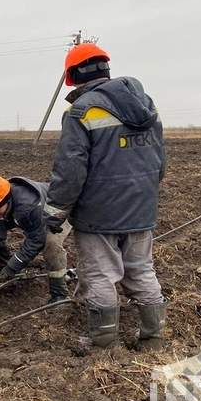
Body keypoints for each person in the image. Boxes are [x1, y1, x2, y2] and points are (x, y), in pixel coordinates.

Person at [44, 43, 167, 350]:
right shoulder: (146, 105)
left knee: (99, 275)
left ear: (72, 76)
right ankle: (153, 338)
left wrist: (55, 212)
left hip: (98, 214)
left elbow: (70, 170)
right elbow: (159, 161)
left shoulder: (81, 112)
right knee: (141, 270)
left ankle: (102, 342)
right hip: (141, 208)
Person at [0, 174, 70, 304]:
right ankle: (2, 273)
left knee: (50, 243)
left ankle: (59, 294)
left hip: (57, 212)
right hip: (22, 213)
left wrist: (12, 267)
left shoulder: (28, 206)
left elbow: (36, 240)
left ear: (7, 201)